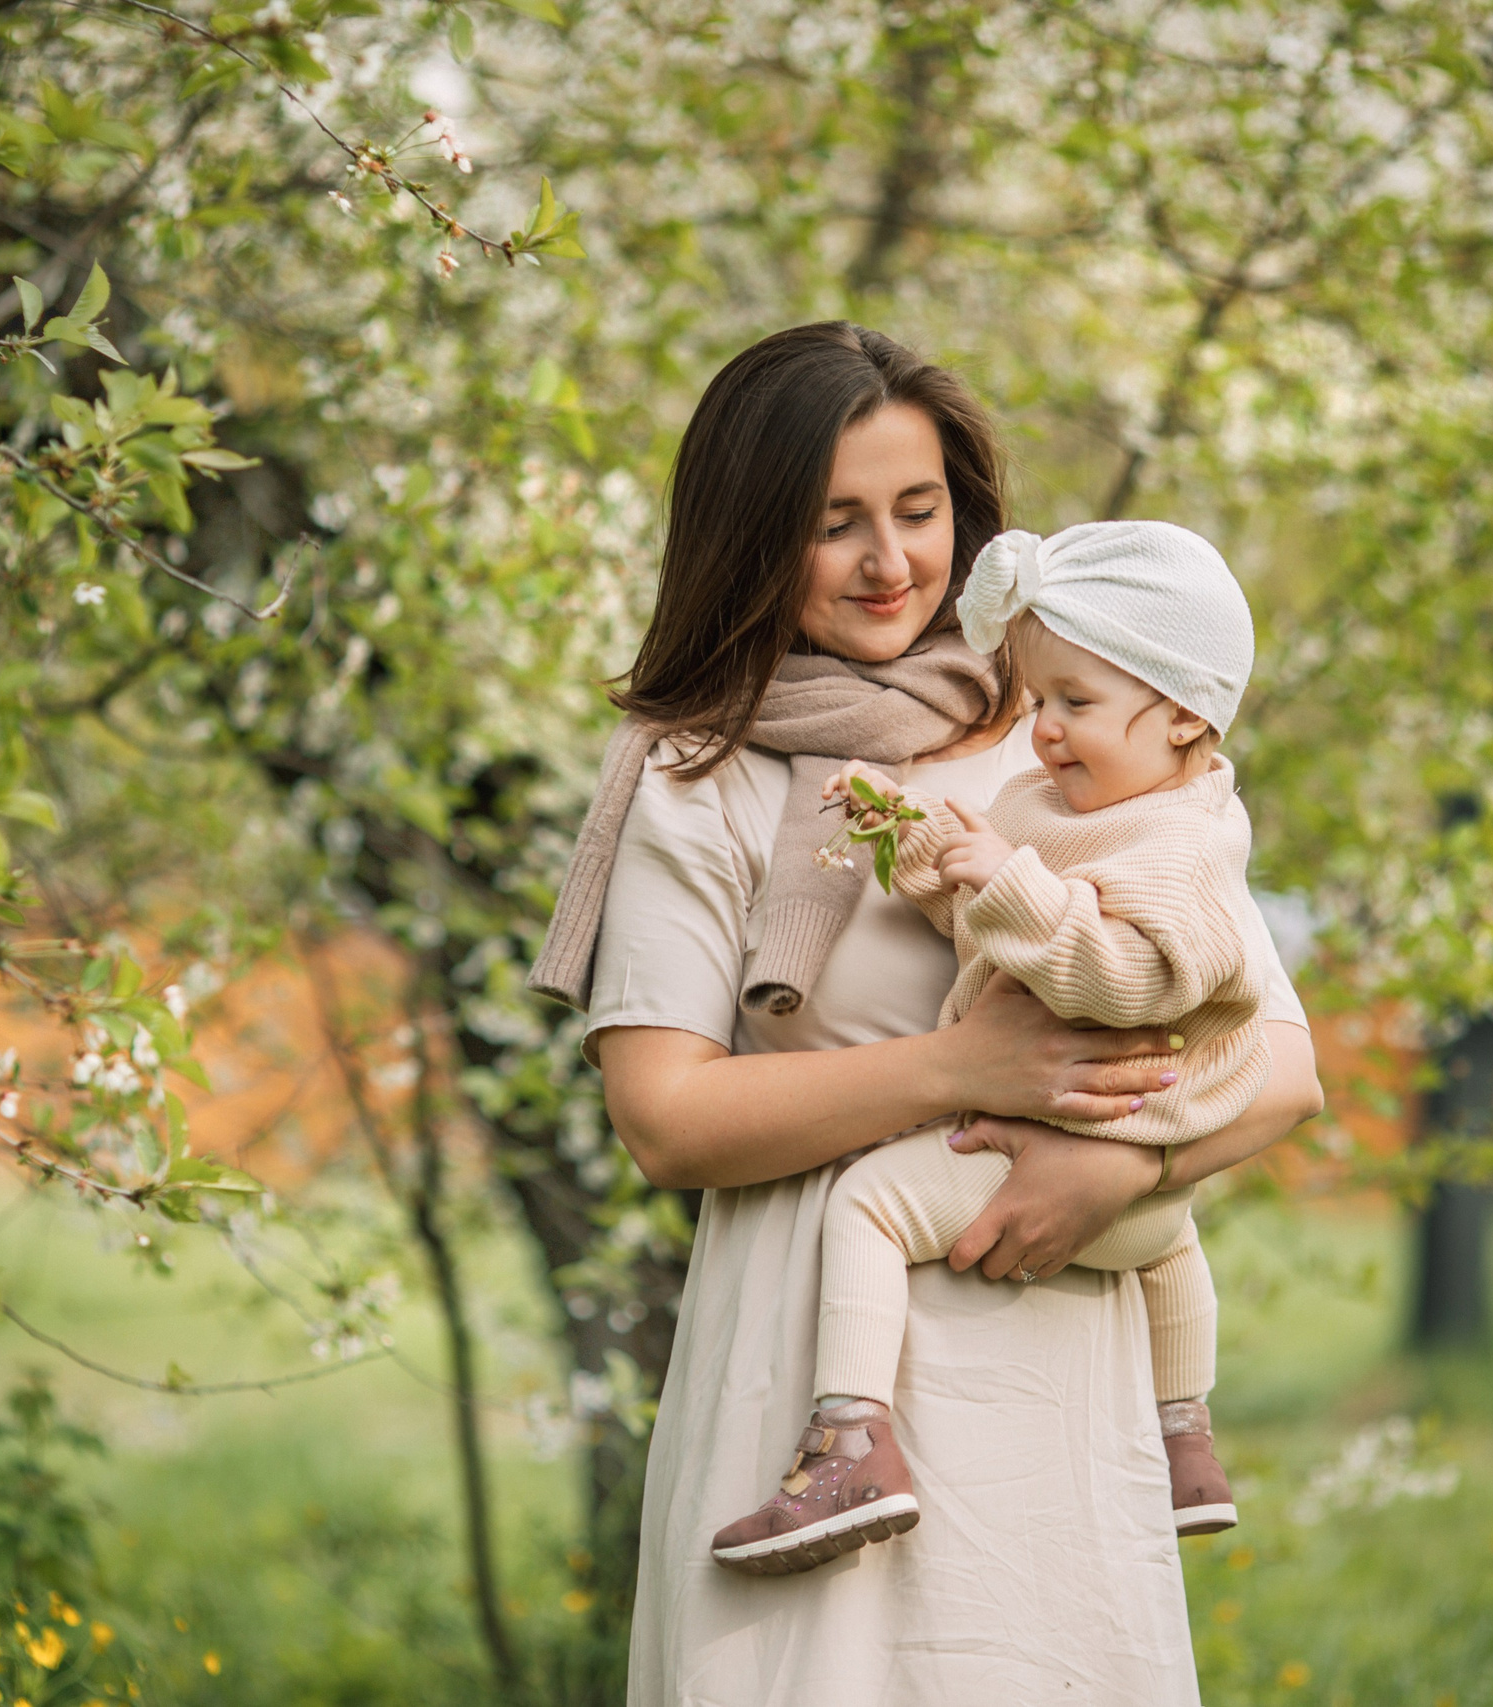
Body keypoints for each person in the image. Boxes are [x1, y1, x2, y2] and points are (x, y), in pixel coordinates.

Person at [530, 321, 1324, 1703]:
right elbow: (664, 1118)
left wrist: (1117, 1162)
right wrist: (961, 1063)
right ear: (750, 534)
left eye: (919, 510)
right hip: (811, 1382)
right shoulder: (695, 777)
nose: (891, 562)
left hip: (1054, 1370)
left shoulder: (1070, 737)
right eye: (833, 524)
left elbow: (1279, 1062)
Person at [707, 520, 1268, 1576]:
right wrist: (911, 838)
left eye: (1077, 704)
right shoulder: (1077, 803)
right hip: (1144, 1201)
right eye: (1040, 699)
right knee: (1175, 1243)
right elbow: (984, 923)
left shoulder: (1177, 841)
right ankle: (1183, 1443)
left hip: (1060, 1143)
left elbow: (1129, 979)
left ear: (1187, 713)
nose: (1045, 730)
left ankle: (850, 1441)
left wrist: (1010, 877)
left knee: (867, 1204)